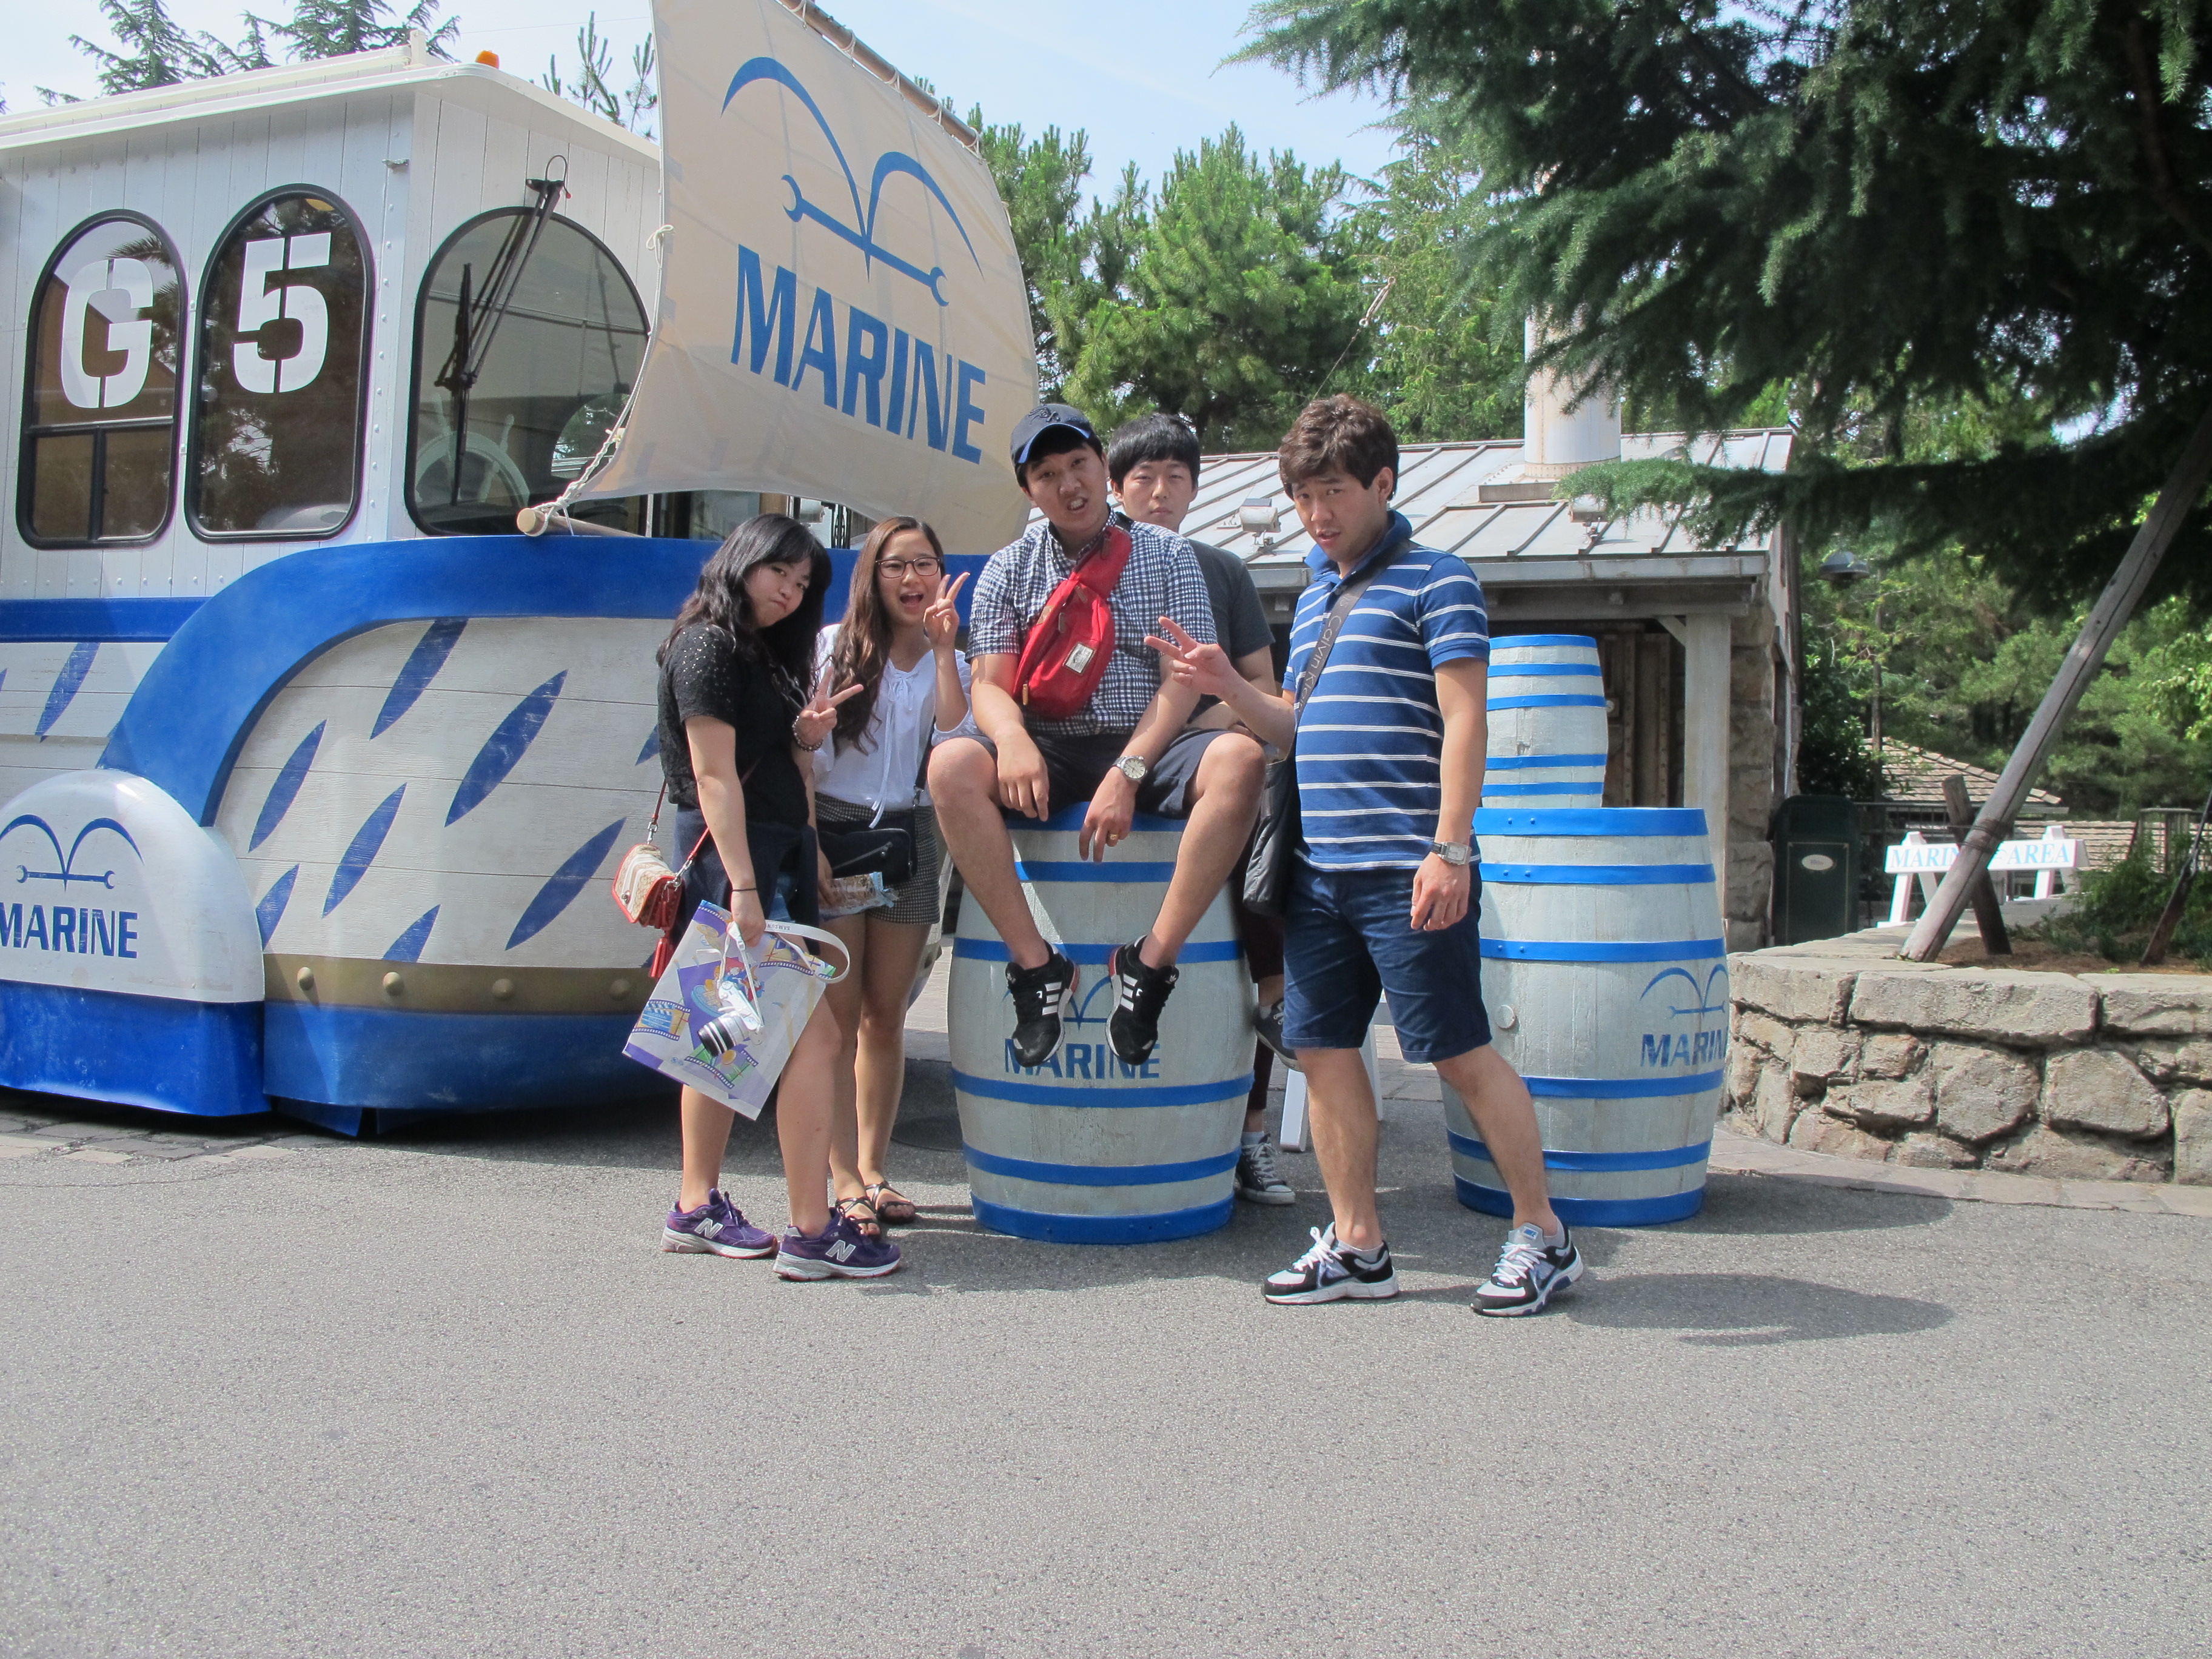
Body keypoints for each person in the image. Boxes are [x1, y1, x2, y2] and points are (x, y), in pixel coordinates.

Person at [1148, 395, 1584, 1315]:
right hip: (1320, 873)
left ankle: (1544, 1234)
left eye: (1335, 492)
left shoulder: (1440, 580)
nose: (1317, 514)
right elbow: (1295, 733)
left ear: (1384, 483)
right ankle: (1357, 1245)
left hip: (1408, 867)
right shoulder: (1316, 595)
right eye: (1303, 496)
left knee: (1459, 1053)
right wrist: (1229, 686)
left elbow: (1466, 720)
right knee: (1320, 1048)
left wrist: (1451, 848)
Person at [927, 403, 1265, 1068]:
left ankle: (1150, 964)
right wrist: (1013, 739)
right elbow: (990, 684)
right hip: (1046, 745)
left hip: (1150, 742)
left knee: (1240, 759)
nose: (1069, 484)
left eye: (1078, 464)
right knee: (951, 768)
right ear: (1029, 490)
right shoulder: (1007, 568)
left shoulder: (1168, 554)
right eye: (1047, 474)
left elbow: (1183, 682)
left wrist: (1128, 771)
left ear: (1101, 466)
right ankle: (1036, 967)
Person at [654, 514, 901, 1280]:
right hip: (737, 860)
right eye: (778, 574)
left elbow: (760, 762)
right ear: (742, 561)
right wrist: (745, 887)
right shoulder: (709, 646)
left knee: (722, 1034)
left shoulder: (755, 649)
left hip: (766, 854)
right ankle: (812, 1231)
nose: (789, 593)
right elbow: (712, 776)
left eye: (801, 584)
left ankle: (697, 1205)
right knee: (813, 1039)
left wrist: (802, 739)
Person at [1107, 412, 1294, 1208]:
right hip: (1106, 768)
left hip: (1199, 764)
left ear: (1194, 487)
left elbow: (1262, 690)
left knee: (1262, 858)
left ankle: (1252, 1131)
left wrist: (1194, 722)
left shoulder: (1222, 571)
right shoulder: (1083, 563)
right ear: (1115, 488)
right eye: (1143, 478)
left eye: (1175, 478)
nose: (1160, 492)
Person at [810, 517, 971, 1232]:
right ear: (871, 575)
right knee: (838, 1018)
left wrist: (945, 652)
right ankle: (842, 1176)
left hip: (909, 834)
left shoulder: (951, 657)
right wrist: (811, 839)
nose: (913, 579)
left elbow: (958, 738)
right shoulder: (831, 648)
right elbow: (808, 754)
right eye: (896, 565)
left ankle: (873, 1170)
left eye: (925, 564)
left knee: (887, 1013)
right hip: (838, 831)